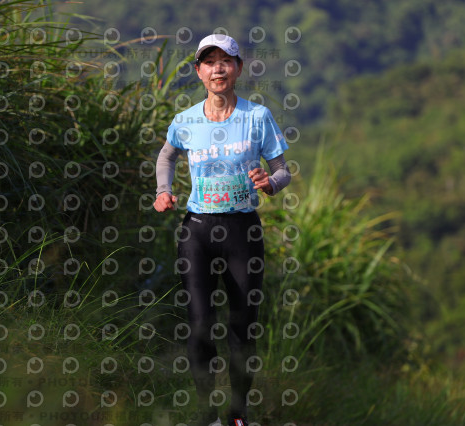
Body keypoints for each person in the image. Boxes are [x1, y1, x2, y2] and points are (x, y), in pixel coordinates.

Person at [153, 34, 291, 426]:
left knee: (242, 328)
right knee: (200, 326)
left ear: (238, 69)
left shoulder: (257, 117)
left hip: (242, 232)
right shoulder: (186, 120)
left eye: (226, 61)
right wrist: (163, 191)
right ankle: (205, 415)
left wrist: (270, 184)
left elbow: (283, 170)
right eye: (209, 62)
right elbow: (166, 157)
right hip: (197, 230)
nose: (218, 69)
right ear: (199, 72)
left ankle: (237, 414)